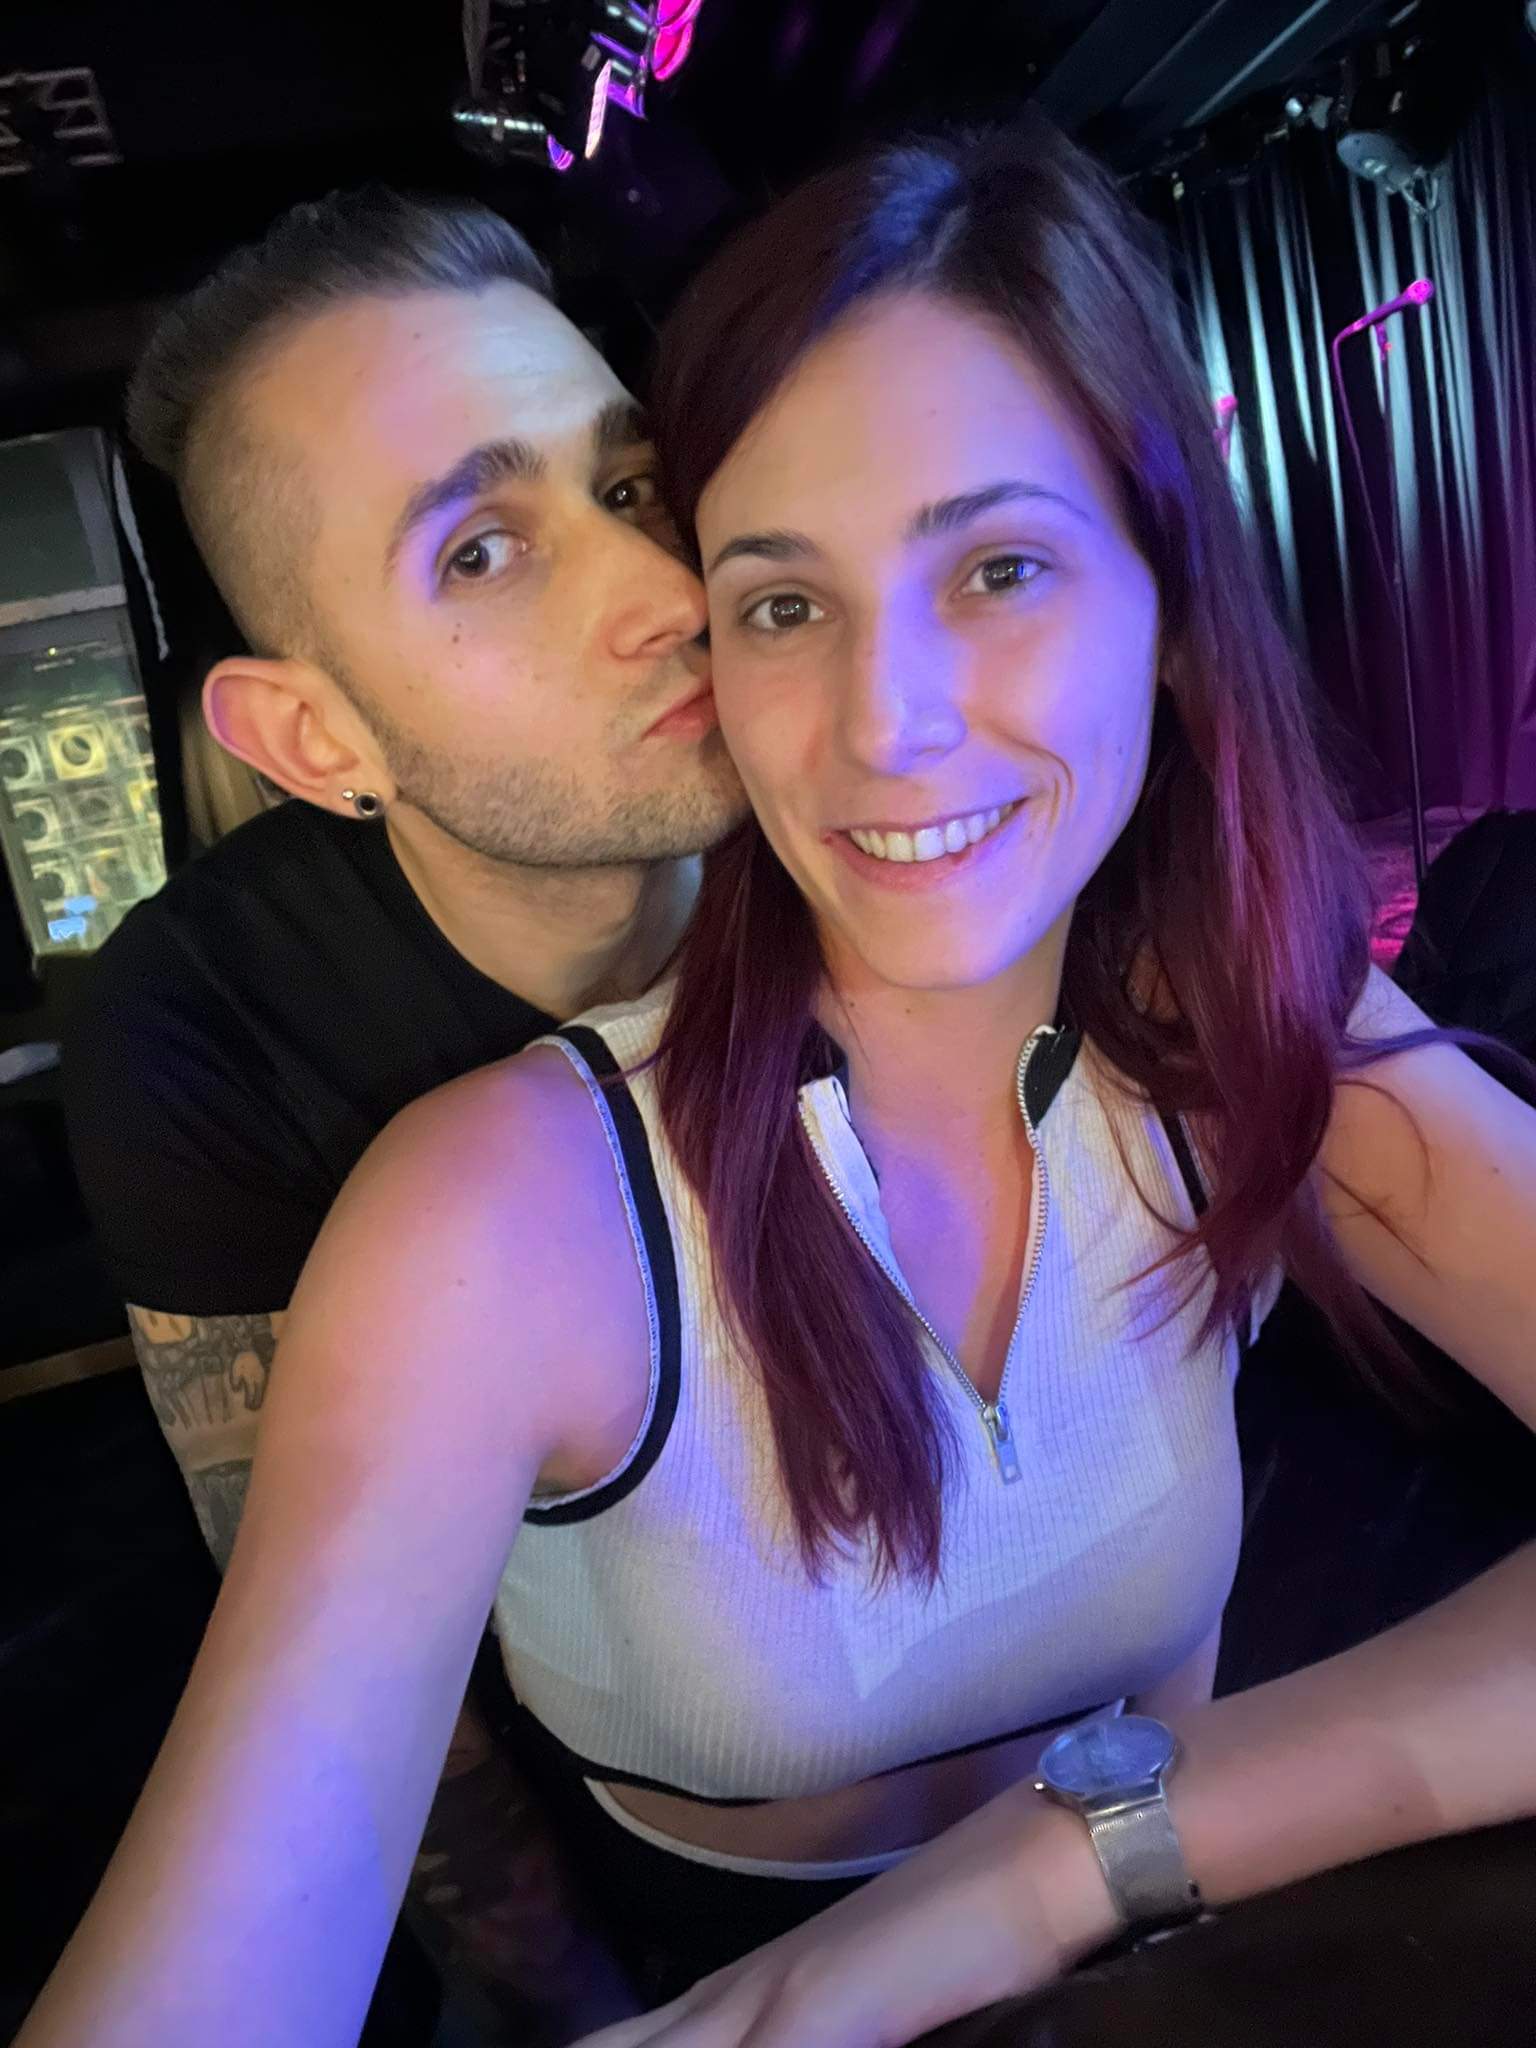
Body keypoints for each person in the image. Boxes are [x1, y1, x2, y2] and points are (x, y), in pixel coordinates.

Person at [24, 119, 1536, 2048]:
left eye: (636, 488)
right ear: (314, 741)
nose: (877, 718)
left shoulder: (1226, 998)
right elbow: (283, 1815)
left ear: (1169, 598)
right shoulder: (411, 1158)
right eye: (786, 599)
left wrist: (1055, 1869)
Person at [62, 188, 743, 2040]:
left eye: (630, 485)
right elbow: (344, 1683)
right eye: (481, 551)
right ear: (318, 741)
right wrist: (576, 2007)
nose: (668, 597)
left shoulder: (873, 825)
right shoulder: (201, 1028)